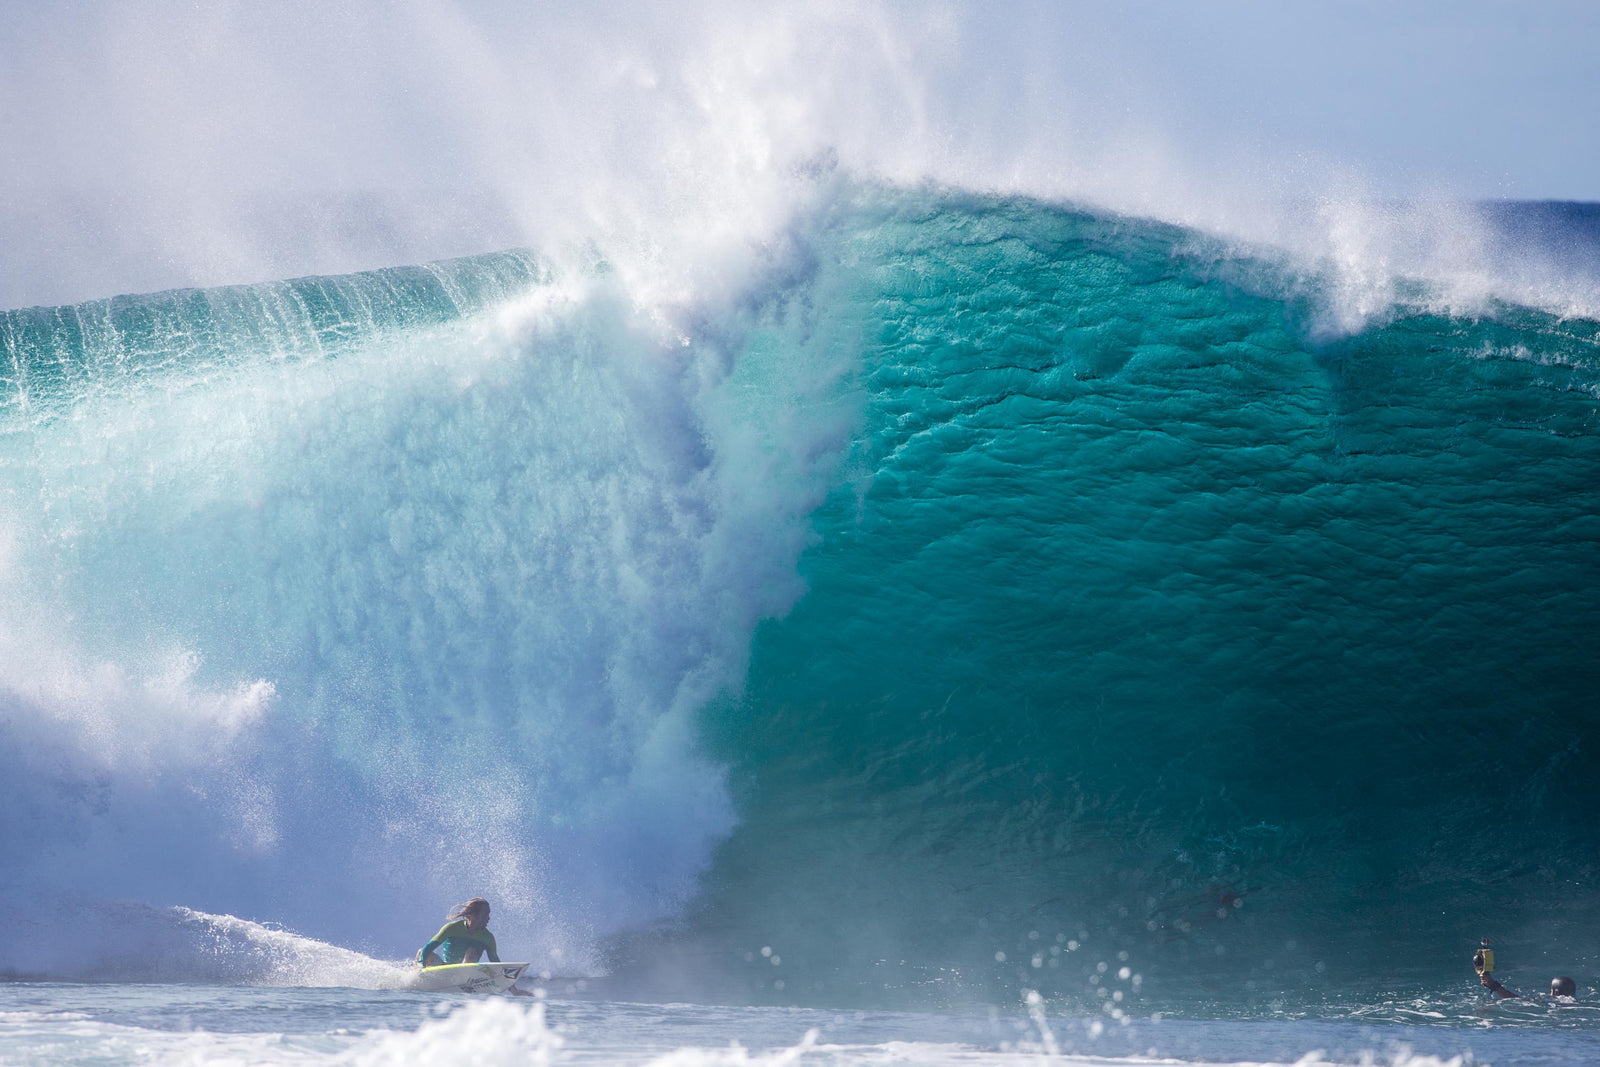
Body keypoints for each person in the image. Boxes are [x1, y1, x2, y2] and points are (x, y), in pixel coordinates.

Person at [416, 898, 499, 967]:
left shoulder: (488, 937)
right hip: (445, 968)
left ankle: (465, 977)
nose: (488, 918)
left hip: (468, 975)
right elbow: (429, 946)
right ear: (473, 914)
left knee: (471, 952)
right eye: (485, 914)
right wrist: (420, 964)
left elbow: (496, 963)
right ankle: (418, 978)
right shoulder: (452, 928)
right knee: (421, 952)